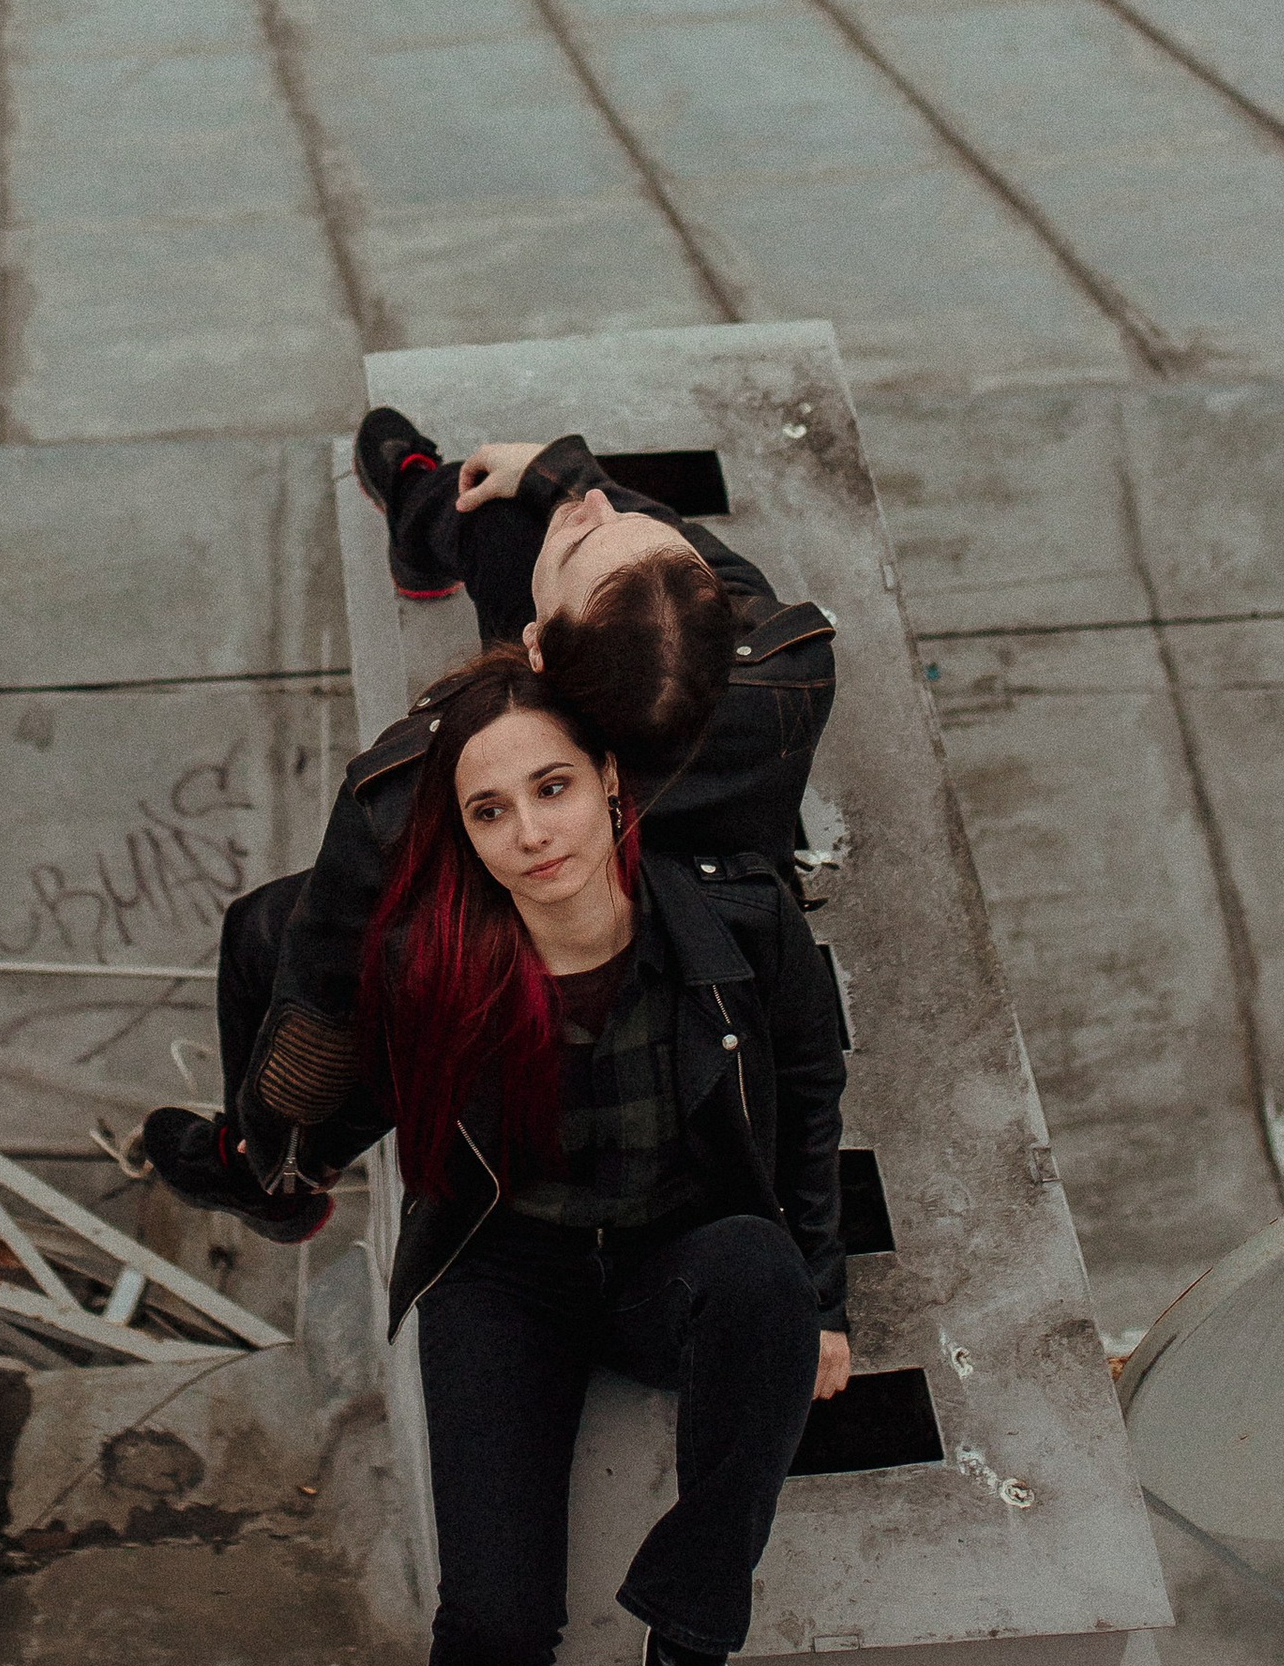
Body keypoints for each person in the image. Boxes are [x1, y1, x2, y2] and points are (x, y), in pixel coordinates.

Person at [235, 640, 850, 1666]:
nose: (533, 832)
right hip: (509, 1279)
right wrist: (260, 1143)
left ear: (614, 781)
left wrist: (821, 1302)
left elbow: (814, 1101)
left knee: (766, 1277)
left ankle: (690, 1662)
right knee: (489, 1625)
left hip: (673, 1257)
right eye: (493, 809)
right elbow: (282, 953)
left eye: (554, 786)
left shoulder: (741, 927)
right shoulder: (428, 968)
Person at [136, 410, 836, 1239]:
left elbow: (318, 1010)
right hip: (696, 846)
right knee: (505, 513)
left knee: (264, 933)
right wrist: (553, 472)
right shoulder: (792, 668)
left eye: (593, 532)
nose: (595, 508)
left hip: (586, 943)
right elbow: (675, 565)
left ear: (535, 653)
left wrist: (278, 1132)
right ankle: (419, 511)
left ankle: (275, 1174)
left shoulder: (413, 784)